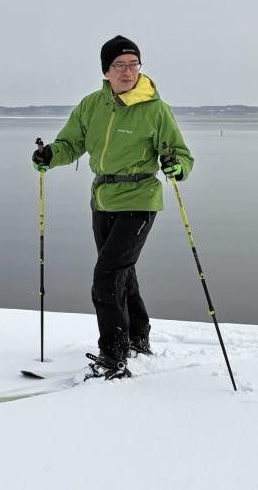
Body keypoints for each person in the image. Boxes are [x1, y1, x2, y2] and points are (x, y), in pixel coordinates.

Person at [31, 35, 194, 380]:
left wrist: (175, 167)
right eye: (119, 65)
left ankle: (113, 356)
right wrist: (49, 156)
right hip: (103, 199)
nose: (127, 71)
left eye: (133, 64)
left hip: (139, 198)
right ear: (106, 71)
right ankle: (138, 337)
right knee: (122, 273)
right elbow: (70, 144)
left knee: (106, 277)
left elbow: (181, 155)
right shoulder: (92, 105)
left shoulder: (155, 109)